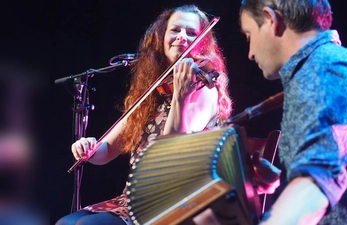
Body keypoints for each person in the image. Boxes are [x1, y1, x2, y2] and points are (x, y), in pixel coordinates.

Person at [56, 4, 232, 225]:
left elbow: (168, 154)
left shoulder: (203, 91)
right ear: (162, 36)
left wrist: (181, 95)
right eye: (175, 30)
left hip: (173, 201)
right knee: (65, 222)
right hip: (135, 200)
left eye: (191, 33)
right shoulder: (153, 90)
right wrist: (89, 147)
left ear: (202, 42)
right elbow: (107, 151)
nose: (182, 37)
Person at [239, 0, 347, 224]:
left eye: (249, 35)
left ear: (271, 19)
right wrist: (283, 181)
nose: (250, 53)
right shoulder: (329, 65)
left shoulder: (319, 72)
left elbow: (315, 189)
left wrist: (304, 185)